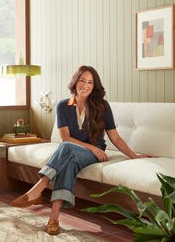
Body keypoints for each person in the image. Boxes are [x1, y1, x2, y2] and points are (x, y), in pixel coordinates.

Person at [11, 65, 152, 235]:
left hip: (95, 153)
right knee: (68, 159)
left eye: (90, 82)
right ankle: (53, 218)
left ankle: (39, 188)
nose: (85, 85)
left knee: (66, 149)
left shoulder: (102, 106)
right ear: (75, 82)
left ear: (94, 86)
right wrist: (91, 146)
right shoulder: (63, 105)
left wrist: (134, 156)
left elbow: (114, 137)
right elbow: (65, 138)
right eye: (82, 80)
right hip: (75, 149)